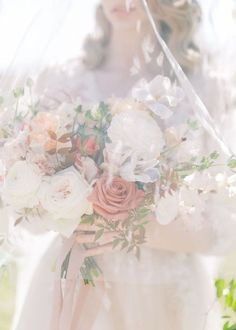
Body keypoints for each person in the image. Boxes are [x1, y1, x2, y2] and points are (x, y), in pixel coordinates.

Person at [15, 1, 235, 329]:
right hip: (71, 284)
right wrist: (50, 199)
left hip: (165, 296)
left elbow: (224, 226)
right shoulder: (61, 80)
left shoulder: (206, 90)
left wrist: (138, 228)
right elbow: (26, 204)